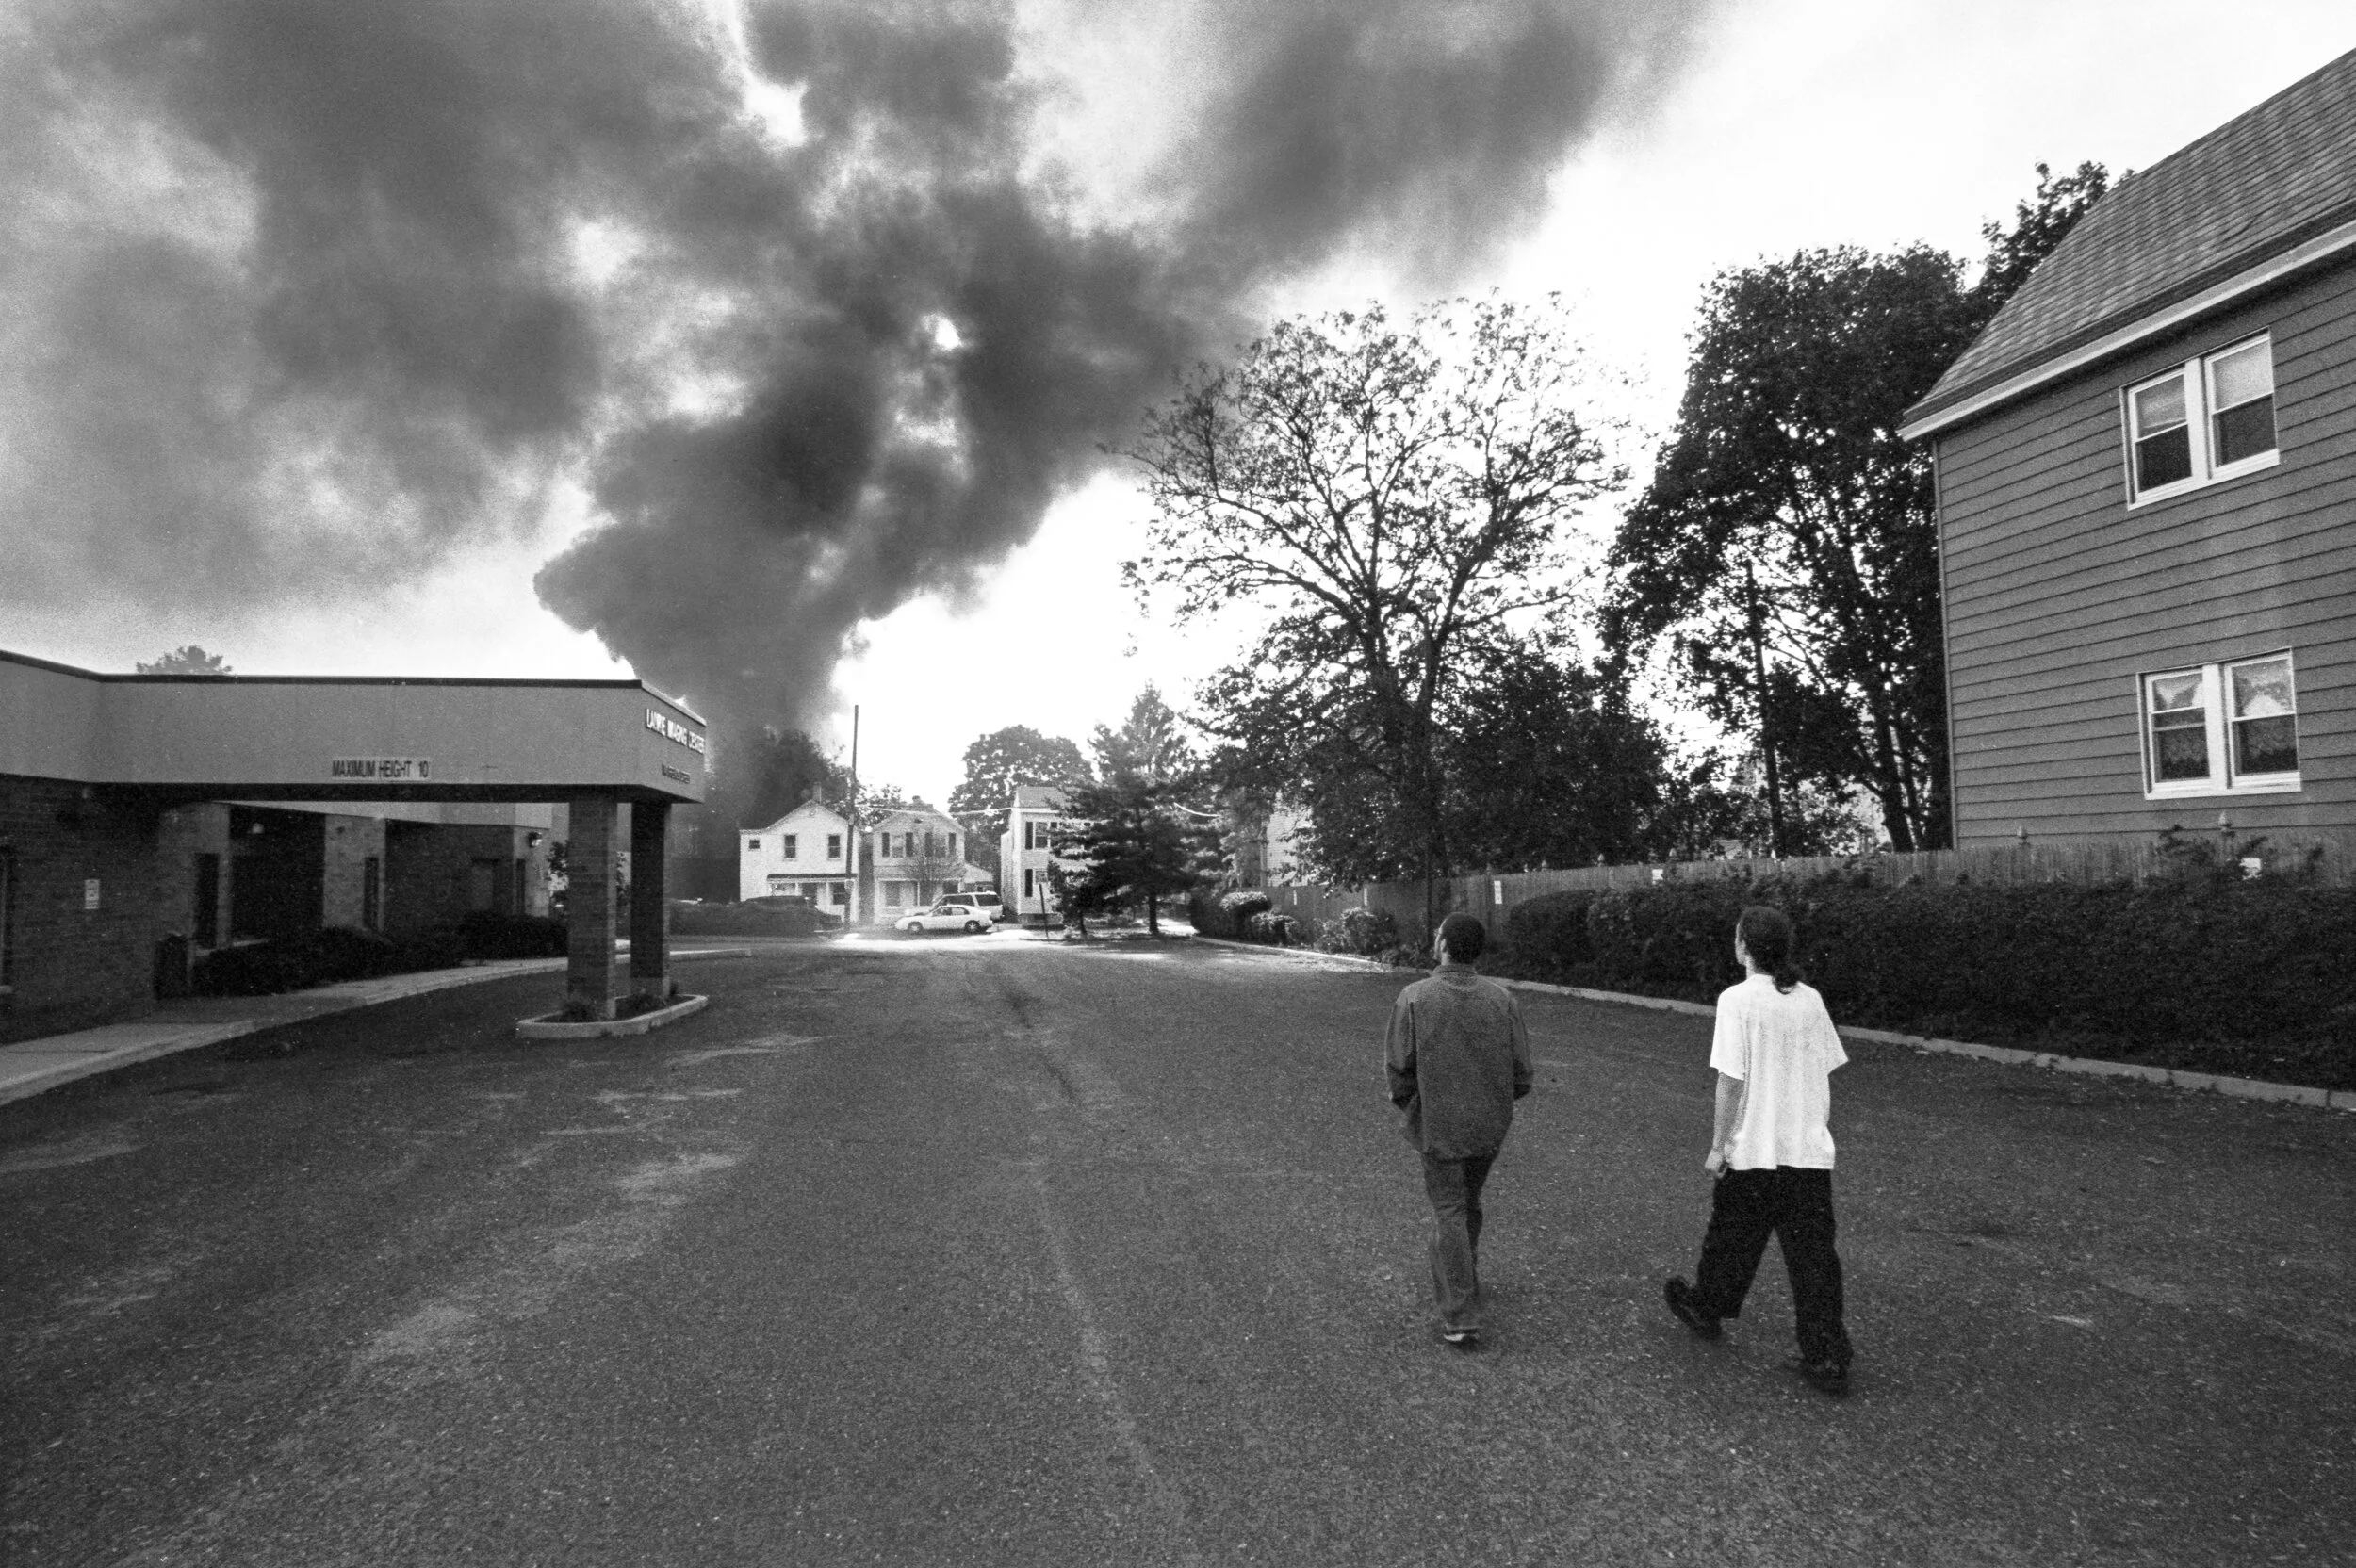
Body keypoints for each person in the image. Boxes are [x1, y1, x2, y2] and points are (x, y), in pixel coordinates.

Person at [1662, 904, 1855, 1396]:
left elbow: (1731, 1080)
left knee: (1731, 1238)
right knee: (1814, 1258)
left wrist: (1718, 1145)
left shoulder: (1736, 1001)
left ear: (1745, 946)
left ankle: (1708, 1306)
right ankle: (1826, 1353)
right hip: (1805, 1150)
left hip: (1753, 1147)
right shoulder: (1810, 1000)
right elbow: (1823, 1065)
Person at [1386, 912, 1532, 1347]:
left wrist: (1414, 1106)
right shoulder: (1502, 999)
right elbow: (1522, 1072)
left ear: (1444, 945)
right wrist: (1498, 1103)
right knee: (1469, 1200)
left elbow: (1399, 1068)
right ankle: (1466, 1277)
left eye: (1438, 936)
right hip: (1489, 1124)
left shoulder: (1415, 997)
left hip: (1439, 1123)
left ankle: (1460, 1312)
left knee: (1448, 1207)